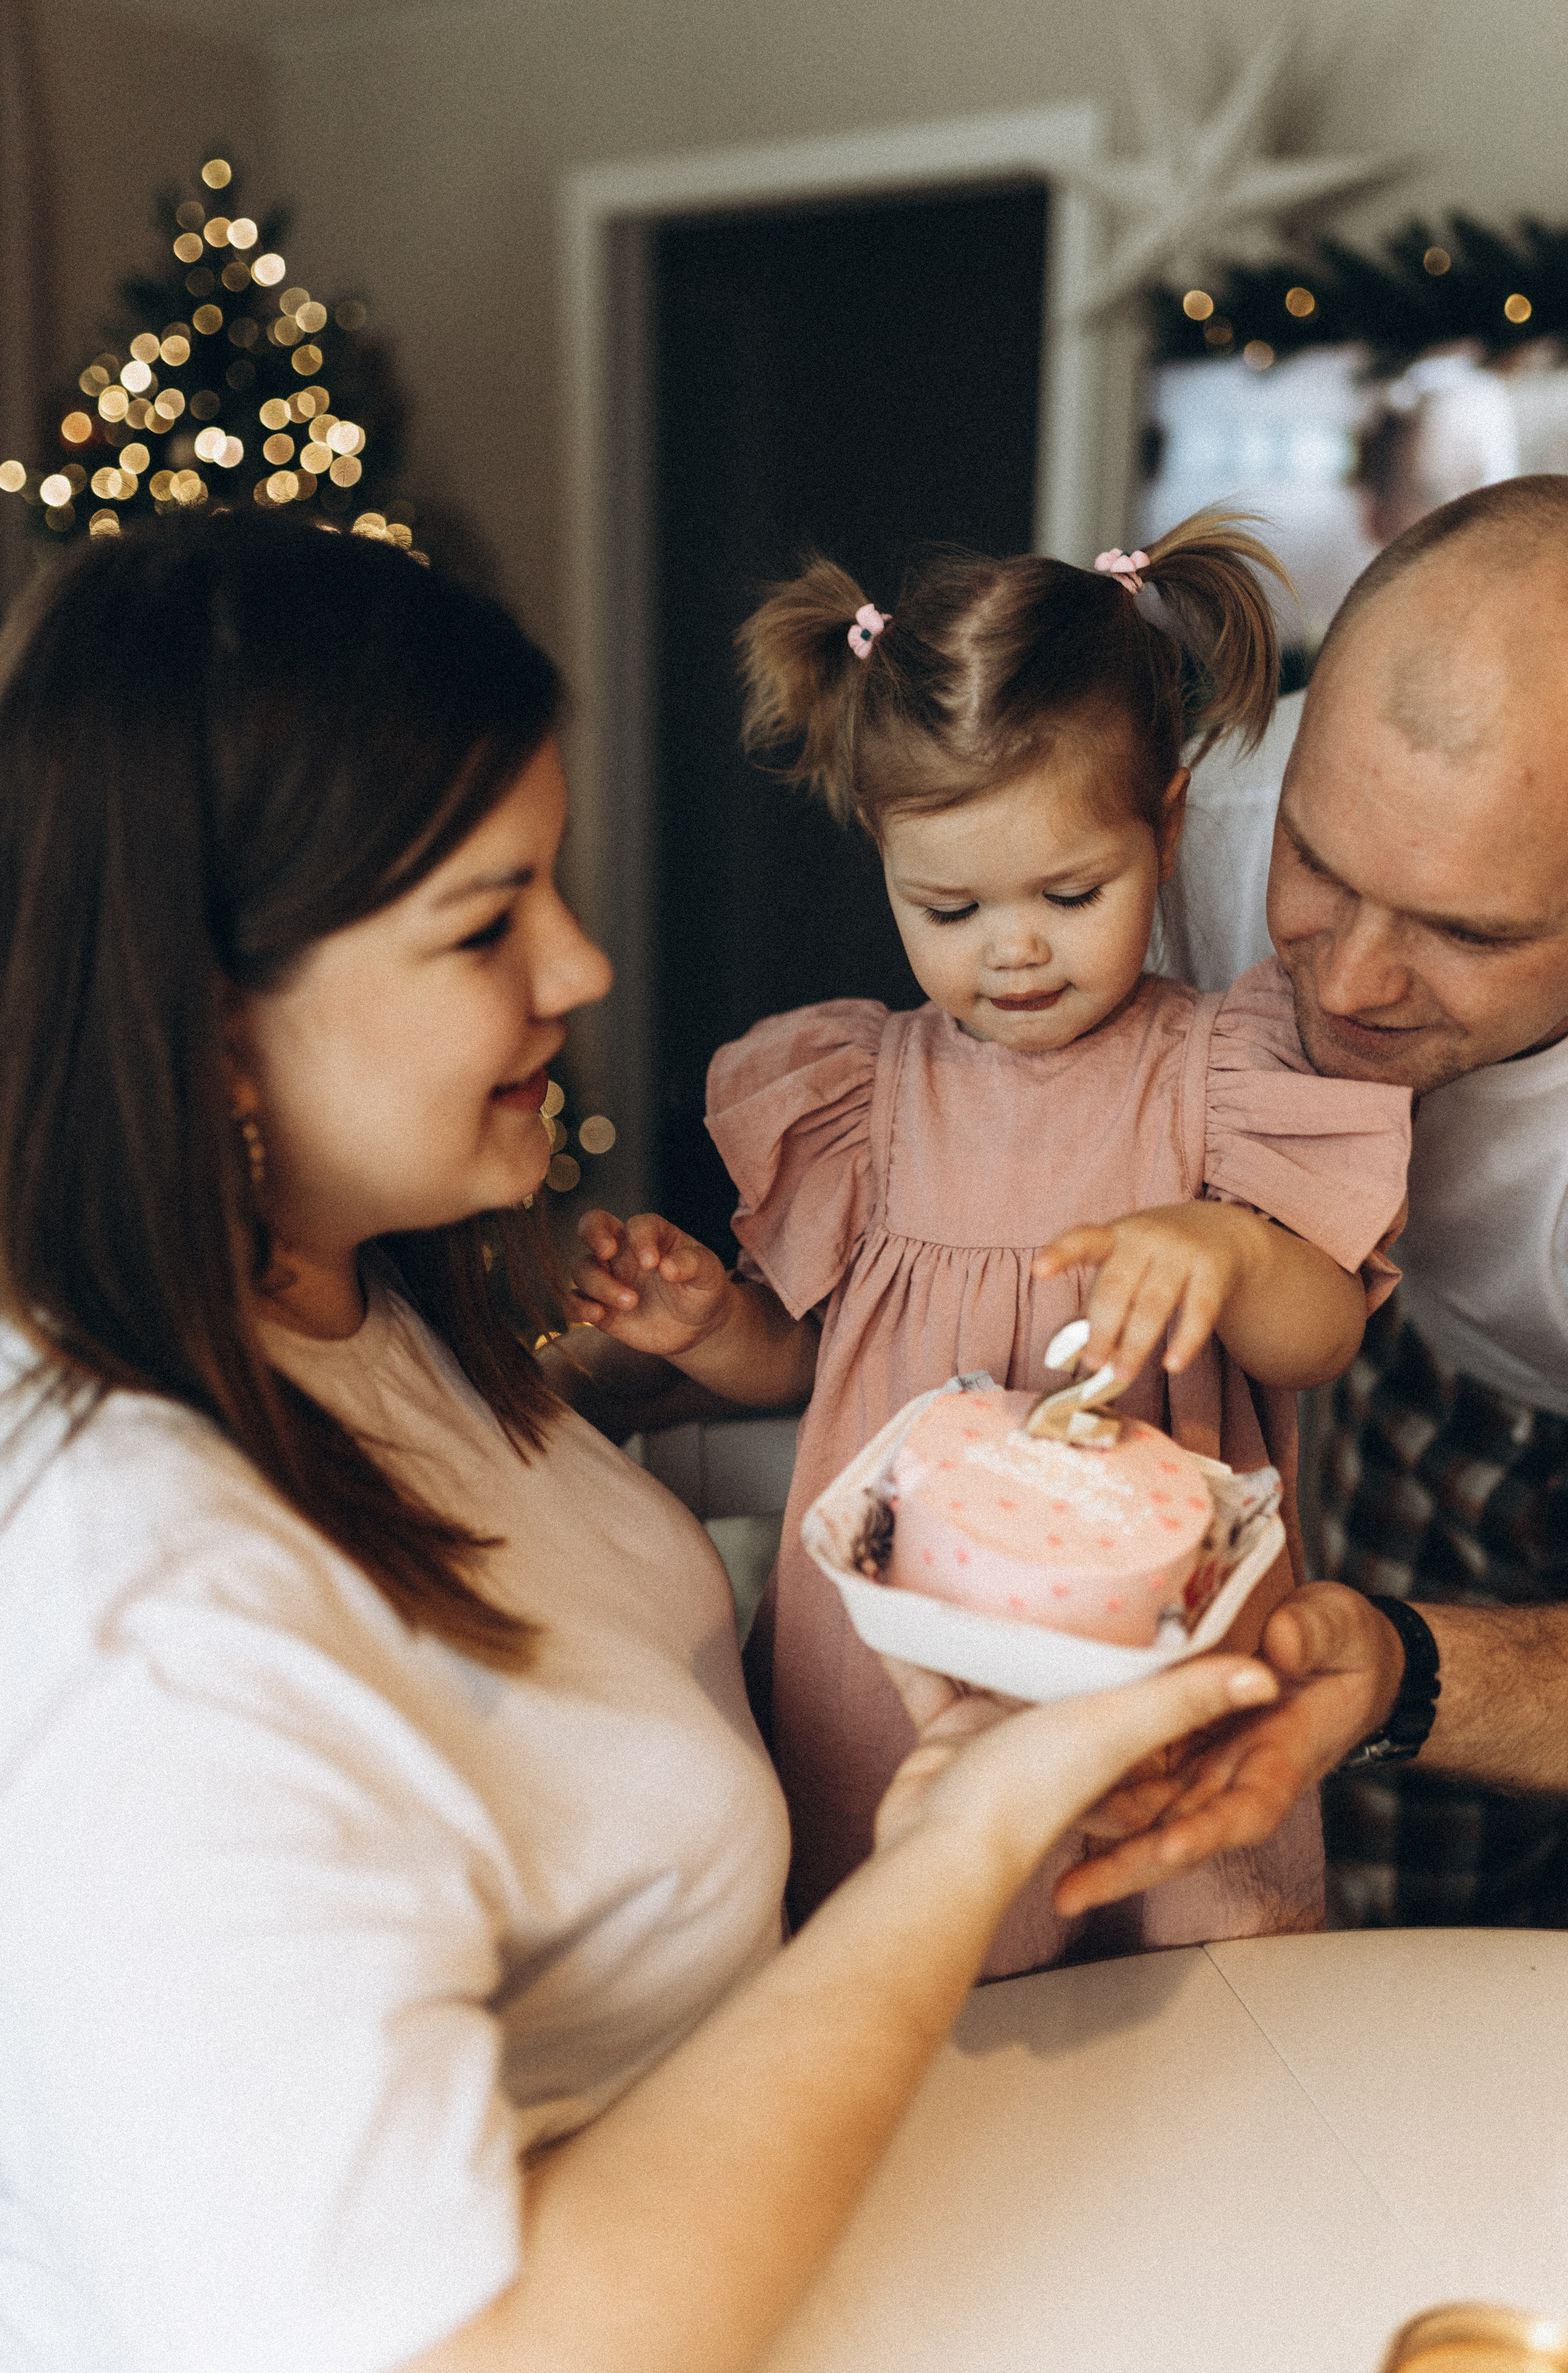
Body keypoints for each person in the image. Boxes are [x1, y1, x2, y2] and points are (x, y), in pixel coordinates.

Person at [0, 511, 1288, 2373]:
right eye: (484, 922)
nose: (588, 968)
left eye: (558, 884)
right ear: (206, 1026)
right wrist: (950, 1850)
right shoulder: (144, 1637)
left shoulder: (350, 1308)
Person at [565, 514, 1412, 1972]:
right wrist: (709, 1328)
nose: (1009, 950)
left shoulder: (1222, 1071)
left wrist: (1225, 1250)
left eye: (1066, 896)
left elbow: (1320, 1336)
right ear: (881, 861)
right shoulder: (862, 1094)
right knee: (915, 1994)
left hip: (1148, 1653)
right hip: (889, 1668)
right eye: (946, 908)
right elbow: (808, 1375)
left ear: (1161, 824)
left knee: (1170, 1994)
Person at [1085, 473, 1568, 1932]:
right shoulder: (1211, 811)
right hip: (1398, 1357)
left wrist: (1416, 1675)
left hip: (1556, 1412)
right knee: (1376, 1905)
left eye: (1464, 932)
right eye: (1320, 867)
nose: (1349, 983)